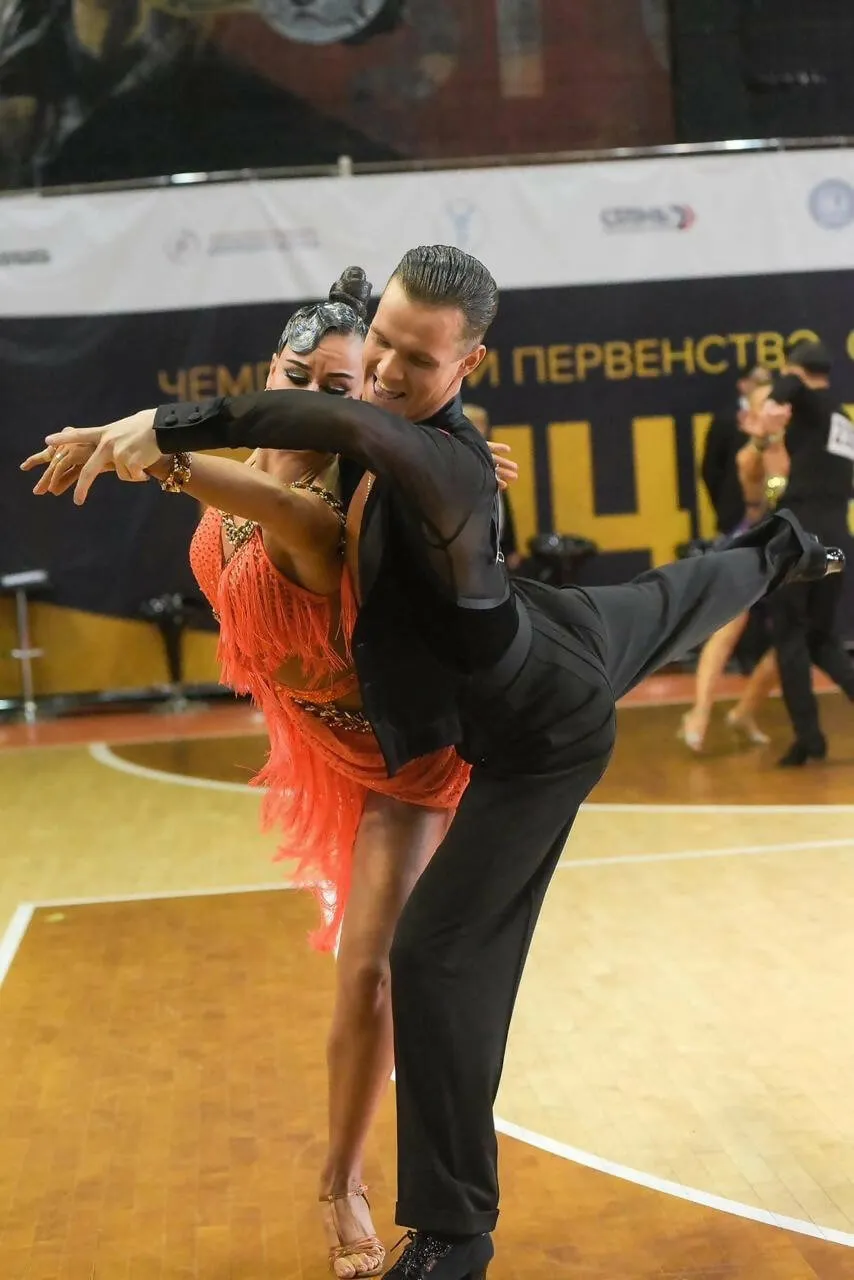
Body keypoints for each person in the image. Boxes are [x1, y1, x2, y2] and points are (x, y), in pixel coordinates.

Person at [37, 245, 844, 1280]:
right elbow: (334, 427)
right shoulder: (396, 435)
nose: (380, 372)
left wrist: (166, 430)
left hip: (532, 729)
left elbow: (342, 424)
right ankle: (779, 546)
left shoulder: (438, 458)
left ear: (466, 364)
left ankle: (455, 1230)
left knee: (430, 955)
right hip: (547, 631)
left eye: (411, 361)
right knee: (671, 597)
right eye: (376, 342)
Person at [23, 265, 511, 1280]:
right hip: (312, 728)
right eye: (301, 378)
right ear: (270, 371)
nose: (316, 405)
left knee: (369, 971)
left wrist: (148, 448)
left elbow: (240, 491)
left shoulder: (337, 511)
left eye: (343, 395)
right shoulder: (262, 450)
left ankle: (342, 1179)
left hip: (402, 762)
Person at [679, 377, 789, 752]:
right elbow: (754, 495)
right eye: (761, 406)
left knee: (792, 640)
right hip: (750, 543)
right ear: (750, 415)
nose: (770, 412)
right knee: (727, 627)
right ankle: (699, 713)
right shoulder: (748, 452)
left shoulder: (794, 447)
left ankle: (744, 711)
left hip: (786, 547)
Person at [759, 340, 854, 766]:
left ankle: (809, 740)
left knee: (790, 634)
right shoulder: (842, 421)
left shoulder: (808, 401)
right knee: (821, 638)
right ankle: (810, 737)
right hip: (838, 534)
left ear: (797, 370)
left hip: (804, 534)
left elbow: (792, 389)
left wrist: (776, 399)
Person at [701, 365, 772, 537]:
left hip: (773, 513)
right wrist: (726, 505)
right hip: (735, 515)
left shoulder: (779, 418)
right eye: (759, 382)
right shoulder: (725, 420)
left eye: (768, 382)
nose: (764, 388)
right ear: (743, 384)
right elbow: (711, 469)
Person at [463, 403, 521, 571]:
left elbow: (504, 508)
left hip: (498, 548)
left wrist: (511, 547)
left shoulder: (492, 459)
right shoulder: (453, 464)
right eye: (474, 424)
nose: (480, 429)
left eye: (482, 424)